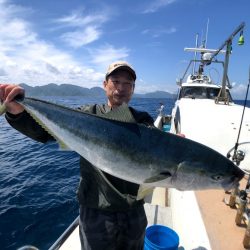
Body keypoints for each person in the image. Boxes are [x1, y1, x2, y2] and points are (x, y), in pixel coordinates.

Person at [0, 61, 155, 250]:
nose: (121, 88)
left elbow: (157, 147)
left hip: (133, 211)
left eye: (128, 83)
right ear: (105, 84)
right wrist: (18, 114)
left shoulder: (142, 121)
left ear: (133, 89)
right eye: (115, 81)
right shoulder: (88, 114)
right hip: (95, 210)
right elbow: (45, 133)